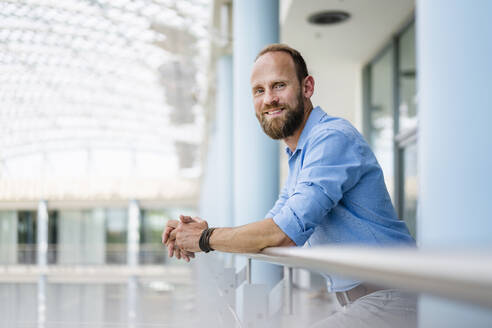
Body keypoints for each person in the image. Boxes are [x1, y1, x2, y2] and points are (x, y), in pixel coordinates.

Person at [162, 44, 416, 327]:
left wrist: (204, 238)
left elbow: (282, 233)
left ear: (307, 87)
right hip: (368, 301)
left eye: (279, 85)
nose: (269, 99)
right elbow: (271, 226)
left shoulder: (331, 138)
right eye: (259, 91)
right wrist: (199, 232)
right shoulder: (301, 155)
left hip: (391, 298)